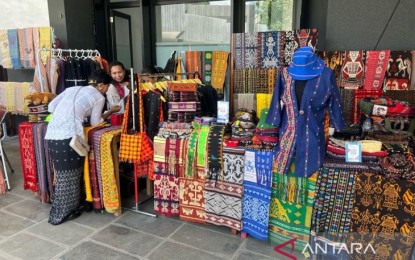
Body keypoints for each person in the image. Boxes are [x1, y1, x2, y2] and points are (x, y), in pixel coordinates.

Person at [44, 69, 120, 225]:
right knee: (71, 176)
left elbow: (51, 107)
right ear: (100, 85)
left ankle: (61, 210)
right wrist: (111, 111)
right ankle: (63, 213)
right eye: (106, 87)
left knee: (62, 175)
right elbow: (95, 122)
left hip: (52, 135)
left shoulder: (72, 89)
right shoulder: (98, 97)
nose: (106, 91)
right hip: (69, 137)